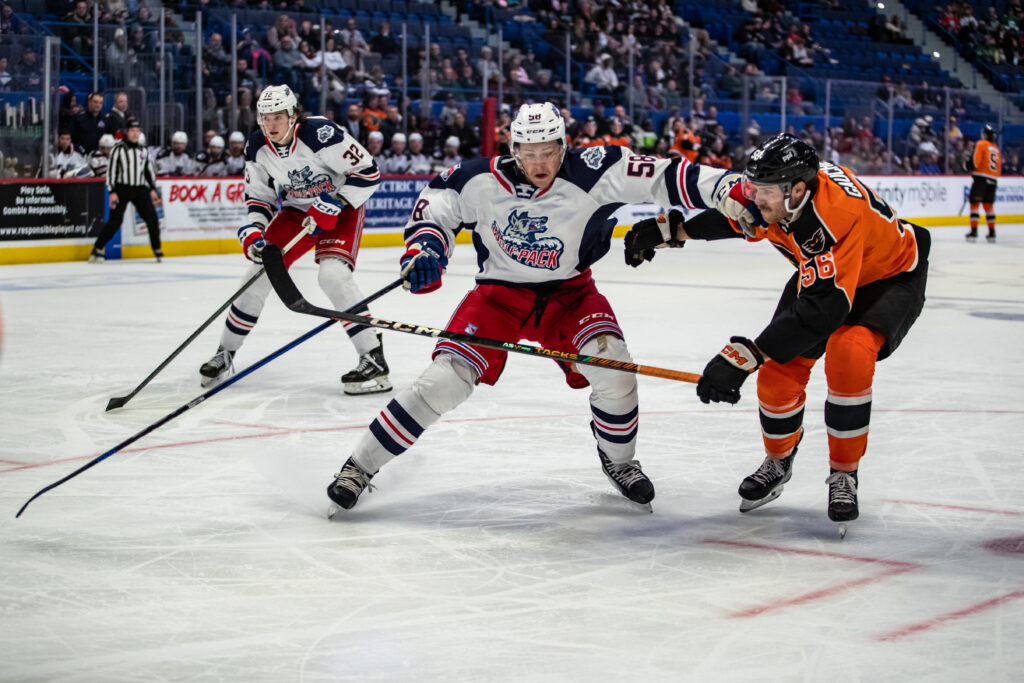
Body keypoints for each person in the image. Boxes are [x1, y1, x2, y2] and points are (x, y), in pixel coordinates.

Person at [324, 101, 711, 513]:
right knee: (444, 380)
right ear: (514, 149)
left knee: (615, 370)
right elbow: (435, 209)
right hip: (499, 296)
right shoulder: (477, 178)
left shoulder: (595, 171)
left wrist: (736, 189)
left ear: (564, 146)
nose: (539, 162)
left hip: (571, 296)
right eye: (529, 152)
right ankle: (358, 468)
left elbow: (667, 176)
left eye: (548, 151)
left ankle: (619, 462)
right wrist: (425, 250)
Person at [623, 134, 930, 531]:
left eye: (763, 191)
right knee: (776, 375)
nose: (754, 198)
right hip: (827, 276)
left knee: (849, 352)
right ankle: (778, 460)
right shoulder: (782, 195)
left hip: (889, 276)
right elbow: (739, 219)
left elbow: (825, 310)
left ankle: (844, 474)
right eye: (754, 187)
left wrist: (746, 355)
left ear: (797, 190)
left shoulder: (831, 219)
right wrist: (672, 231)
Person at [197, 85, 392, 395]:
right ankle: (226, 352)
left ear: (292, 115)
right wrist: (254, 230)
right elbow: (259, 196)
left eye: (278, 117)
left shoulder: (320, 133)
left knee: (333, 276)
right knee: (257, 275)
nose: (271, 125)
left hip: (341, 207)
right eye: (265, 118)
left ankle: (373, 357)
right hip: (296, 211)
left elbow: (368, 173)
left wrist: (335, 202)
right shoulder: (257, 145)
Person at [89, 117, 163, 262]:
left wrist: (153, 189)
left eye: (137, 131)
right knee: (115, 221)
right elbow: (111, 172)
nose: (135, 134)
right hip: (122, 188)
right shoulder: (118, 149)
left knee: (152, 218)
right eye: (132, 131)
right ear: (127, 132)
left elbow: (148, 171)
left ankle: (156, 248)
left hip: (140, 189)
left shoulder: (144, 150)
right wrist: (112, 192)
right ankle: (97, 248)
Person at [965, 124, 1000, 243]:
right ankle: (992, 232)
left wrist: (967, 165)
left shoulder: (981, 144)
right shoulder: (996, 148)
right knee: (988, 206)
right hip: (993, 180)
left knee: (974, 205)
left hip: (981, 179)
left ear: (985, 134)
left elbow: (975, 162)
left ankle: (974, 231)